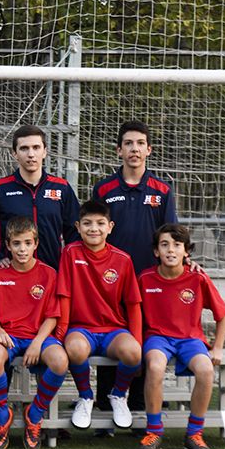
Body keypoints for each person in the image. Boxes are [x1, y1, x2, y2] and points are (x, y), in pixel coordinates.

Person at [92, 120, 177, 417]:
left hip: (149, 280)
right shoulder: (103, 188)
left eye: (140, 143)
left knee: (146, 336)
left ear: (149, 150)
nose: (134, 149)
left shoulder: (162, 190)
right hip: (110, 279)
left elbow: (171, 236)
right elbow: (95, 232)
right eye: (128, 143)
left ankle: (141, 403)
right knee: (110, 333)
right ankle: (105, 402)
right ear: (119, 150)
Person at [137, 224, 225, 449]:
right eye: (165, 244)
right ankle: (154, 432)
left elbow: (222, 314)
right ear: (156, 251)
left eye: (177, 245)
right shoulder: (145, 278)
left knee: (206, 370)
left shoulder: (198, 278)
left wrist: (217, 348)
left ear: (186, 252)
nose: (171, 250)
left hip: (190, 338)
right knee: (156, 367)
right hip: (157, 337)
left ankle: (194, 434)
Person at [56, 200, 143, 431]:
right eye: (87, 223)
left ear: (110, 227)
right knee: (75, 349)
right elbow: (63, 296)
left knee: (133, 353)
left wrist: (138, 341)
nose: (93, 228)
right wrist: (61, 334)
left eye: (100, 223)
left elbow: (133, 305)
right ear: (77, 226)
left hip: (114, 330)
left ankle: (118, 395)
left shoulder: (123, 259)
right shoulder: (70, 253)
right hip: (81, 329)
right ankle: (86, 397)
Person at [0, 216, 68, 449]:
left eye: (27, 243)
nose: (22, 249)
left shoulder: (49, 274)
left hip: (39, 335)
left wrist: (37, 343)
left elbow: (52, 316)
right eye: (17, 244)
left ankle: (36, 412)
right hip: (8, 335)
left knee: (60, 361)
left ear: (36, 244)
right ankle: (2, 414)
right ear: (8, 246)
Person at [0, 125, 80, 271]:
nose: (31, 154)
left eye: (36, 147)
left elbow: (74, 234)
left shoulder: (62, 188)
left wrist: (66, 266)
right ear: (14, 154)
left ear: (45, 151)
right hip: (11, 275)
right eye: (24, 148)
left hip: (52, 274)